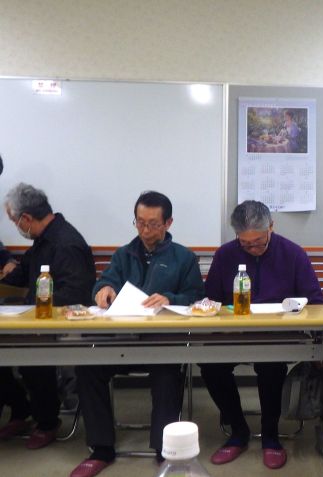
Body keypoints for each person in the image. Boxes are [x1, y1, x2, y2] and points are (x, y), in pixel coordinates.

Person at [70, 191, 204, 477]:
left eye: (153, 224)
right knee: (87, 367)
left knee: (167, 374)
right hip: (121, 340)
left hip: (162, 344)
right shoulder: (123, 254)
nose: (145, 230)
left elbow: (195, 297)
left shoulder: (184, 258)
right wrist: (102, 290)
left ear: (168, 223)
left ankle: (164, 451)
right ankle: (101, 448)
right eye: (140, 222)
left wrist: (170, 299)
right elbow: (105, 282)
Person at [199, 200, 323, 470]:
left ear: (271, 227)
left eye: (259, 241)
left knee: (271, 366)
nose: (253, 248)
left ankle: (270, 436)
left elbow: (316, 302)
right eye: (245, 244)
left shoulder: (293, 254)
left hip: (278, 335)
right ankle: (238, 431)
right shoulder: (225, 255)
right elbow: (210, 299)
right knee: (210, 365)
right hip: (233, 333)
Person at [0, 183, 95, 449]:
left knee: (31, 352)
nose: (16, 226)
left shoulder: (66, 243)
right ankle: (21, 409)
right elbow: (24, 272)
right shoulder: (43, 239)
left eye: (14, 221)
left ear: (26, 218)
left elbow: (76, 293)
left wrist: (34, 309)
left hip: (64, 324)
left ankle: (47, 421)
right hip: (37, 319)